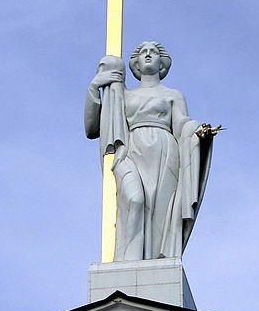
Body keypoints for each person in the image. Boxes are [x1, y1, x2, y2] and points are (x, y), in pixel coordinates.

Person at [85, 41, 217, 261]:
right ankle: (128, 260)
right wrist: (94, 88)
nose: (148, 55)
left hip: (164, 153)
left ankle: (153, 261)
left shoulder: (173, 95)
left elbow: (182, 123)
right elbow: (92, 129)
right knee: (134, 200)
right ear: (135, 63)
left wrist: (197, 131)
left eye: (153, 52)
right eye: (143, 52)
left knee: (160, 212)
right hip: (130, 152)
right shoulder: (122, 94)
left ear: (161, 63)